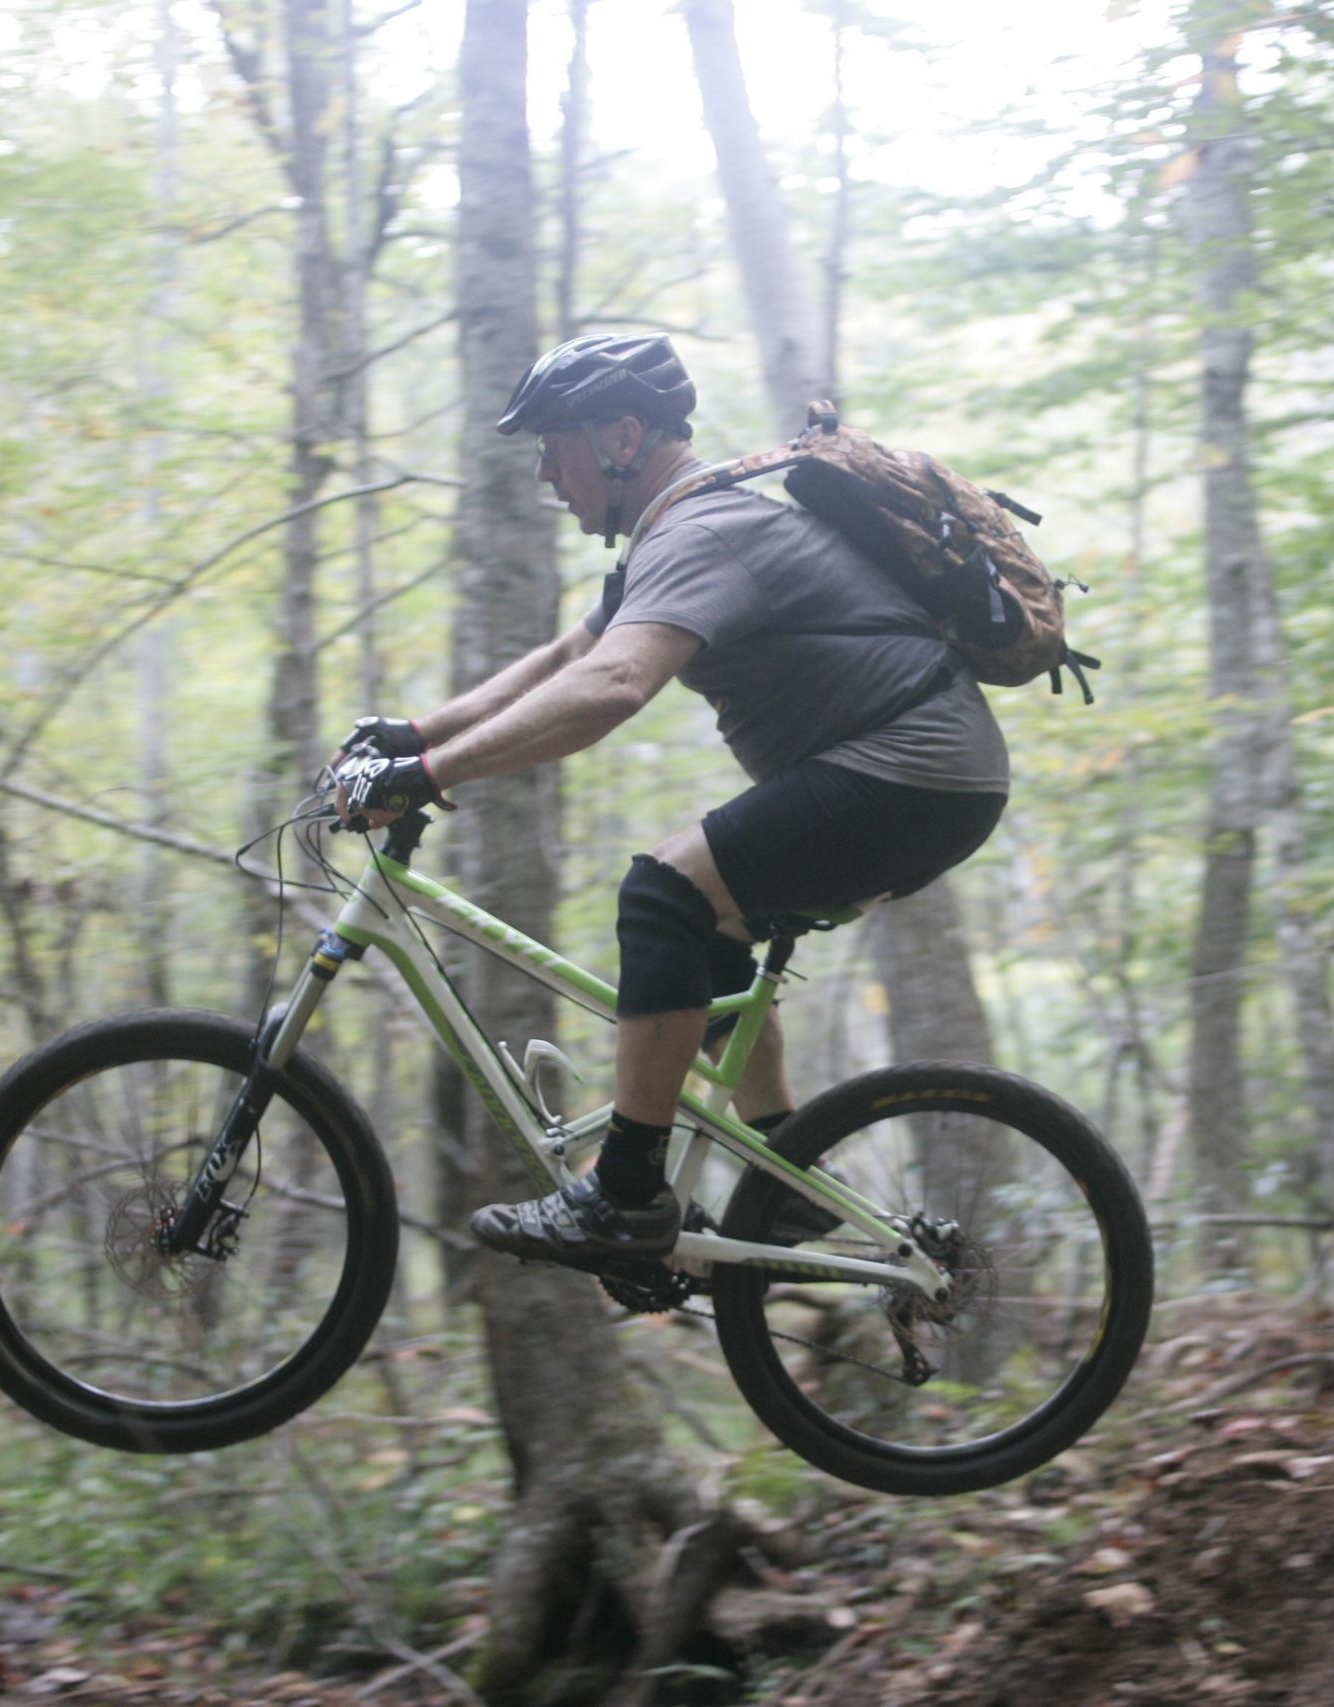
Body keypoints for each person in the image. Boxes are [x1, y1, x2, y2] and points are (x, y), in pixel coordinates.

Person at [325, 333, 1011, 1269]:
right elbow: (571, 657)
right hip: (924, 776)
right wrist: (416, 734)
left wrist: (432, 774)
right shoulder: (680, 532)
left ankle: (625, 1195)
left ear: (621, 435)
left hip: (913, 771)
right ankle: (785, 1169)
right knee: (707, 930)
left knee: (663, 892)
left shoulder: (703, 533)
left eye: (554, 446)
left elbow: (613, 685)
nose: (545, 473)